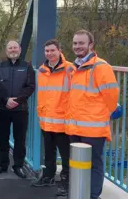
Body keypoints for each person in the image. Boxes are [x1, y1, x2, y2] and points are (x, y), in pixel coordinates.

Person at [66, 30, 119, 199]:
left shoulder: (101, 67)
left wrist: (100, 115)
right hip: (75, 127)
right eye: (75, 43)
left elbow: (112, 97)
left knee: (95, 164)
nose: (77, 47)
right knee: (76, 164)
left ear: (91, 45)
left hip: (93, 128)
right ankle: (79, 194)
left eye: (81, 43)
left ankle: (93, 196)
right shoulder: (74, 68)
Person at [31, 39, 72, 197]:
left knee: (66, 155)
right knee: (48, 152)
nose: (49, 53)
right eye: (47, 51)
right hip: (46, 120)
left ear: (59, 50)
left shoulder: (69, 69)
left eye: (52, 50)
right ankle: (48, 176)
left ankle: (66, 183)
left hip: (63, 121)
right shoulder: (42, 70)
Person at [0, 40, 35, 179]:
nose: (12, 50)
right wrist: (6, 100)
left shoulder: (27, 66)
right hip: (3, 108)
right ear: (6, 51)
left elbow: (30, 86)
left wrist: (17, 100)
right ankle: (2, 164)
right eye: (10, 48)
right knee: (3, 138)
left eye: (15, 47)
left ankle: (18, 166)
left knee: (20, 139)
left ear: (20, 49)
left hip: (20, 109)